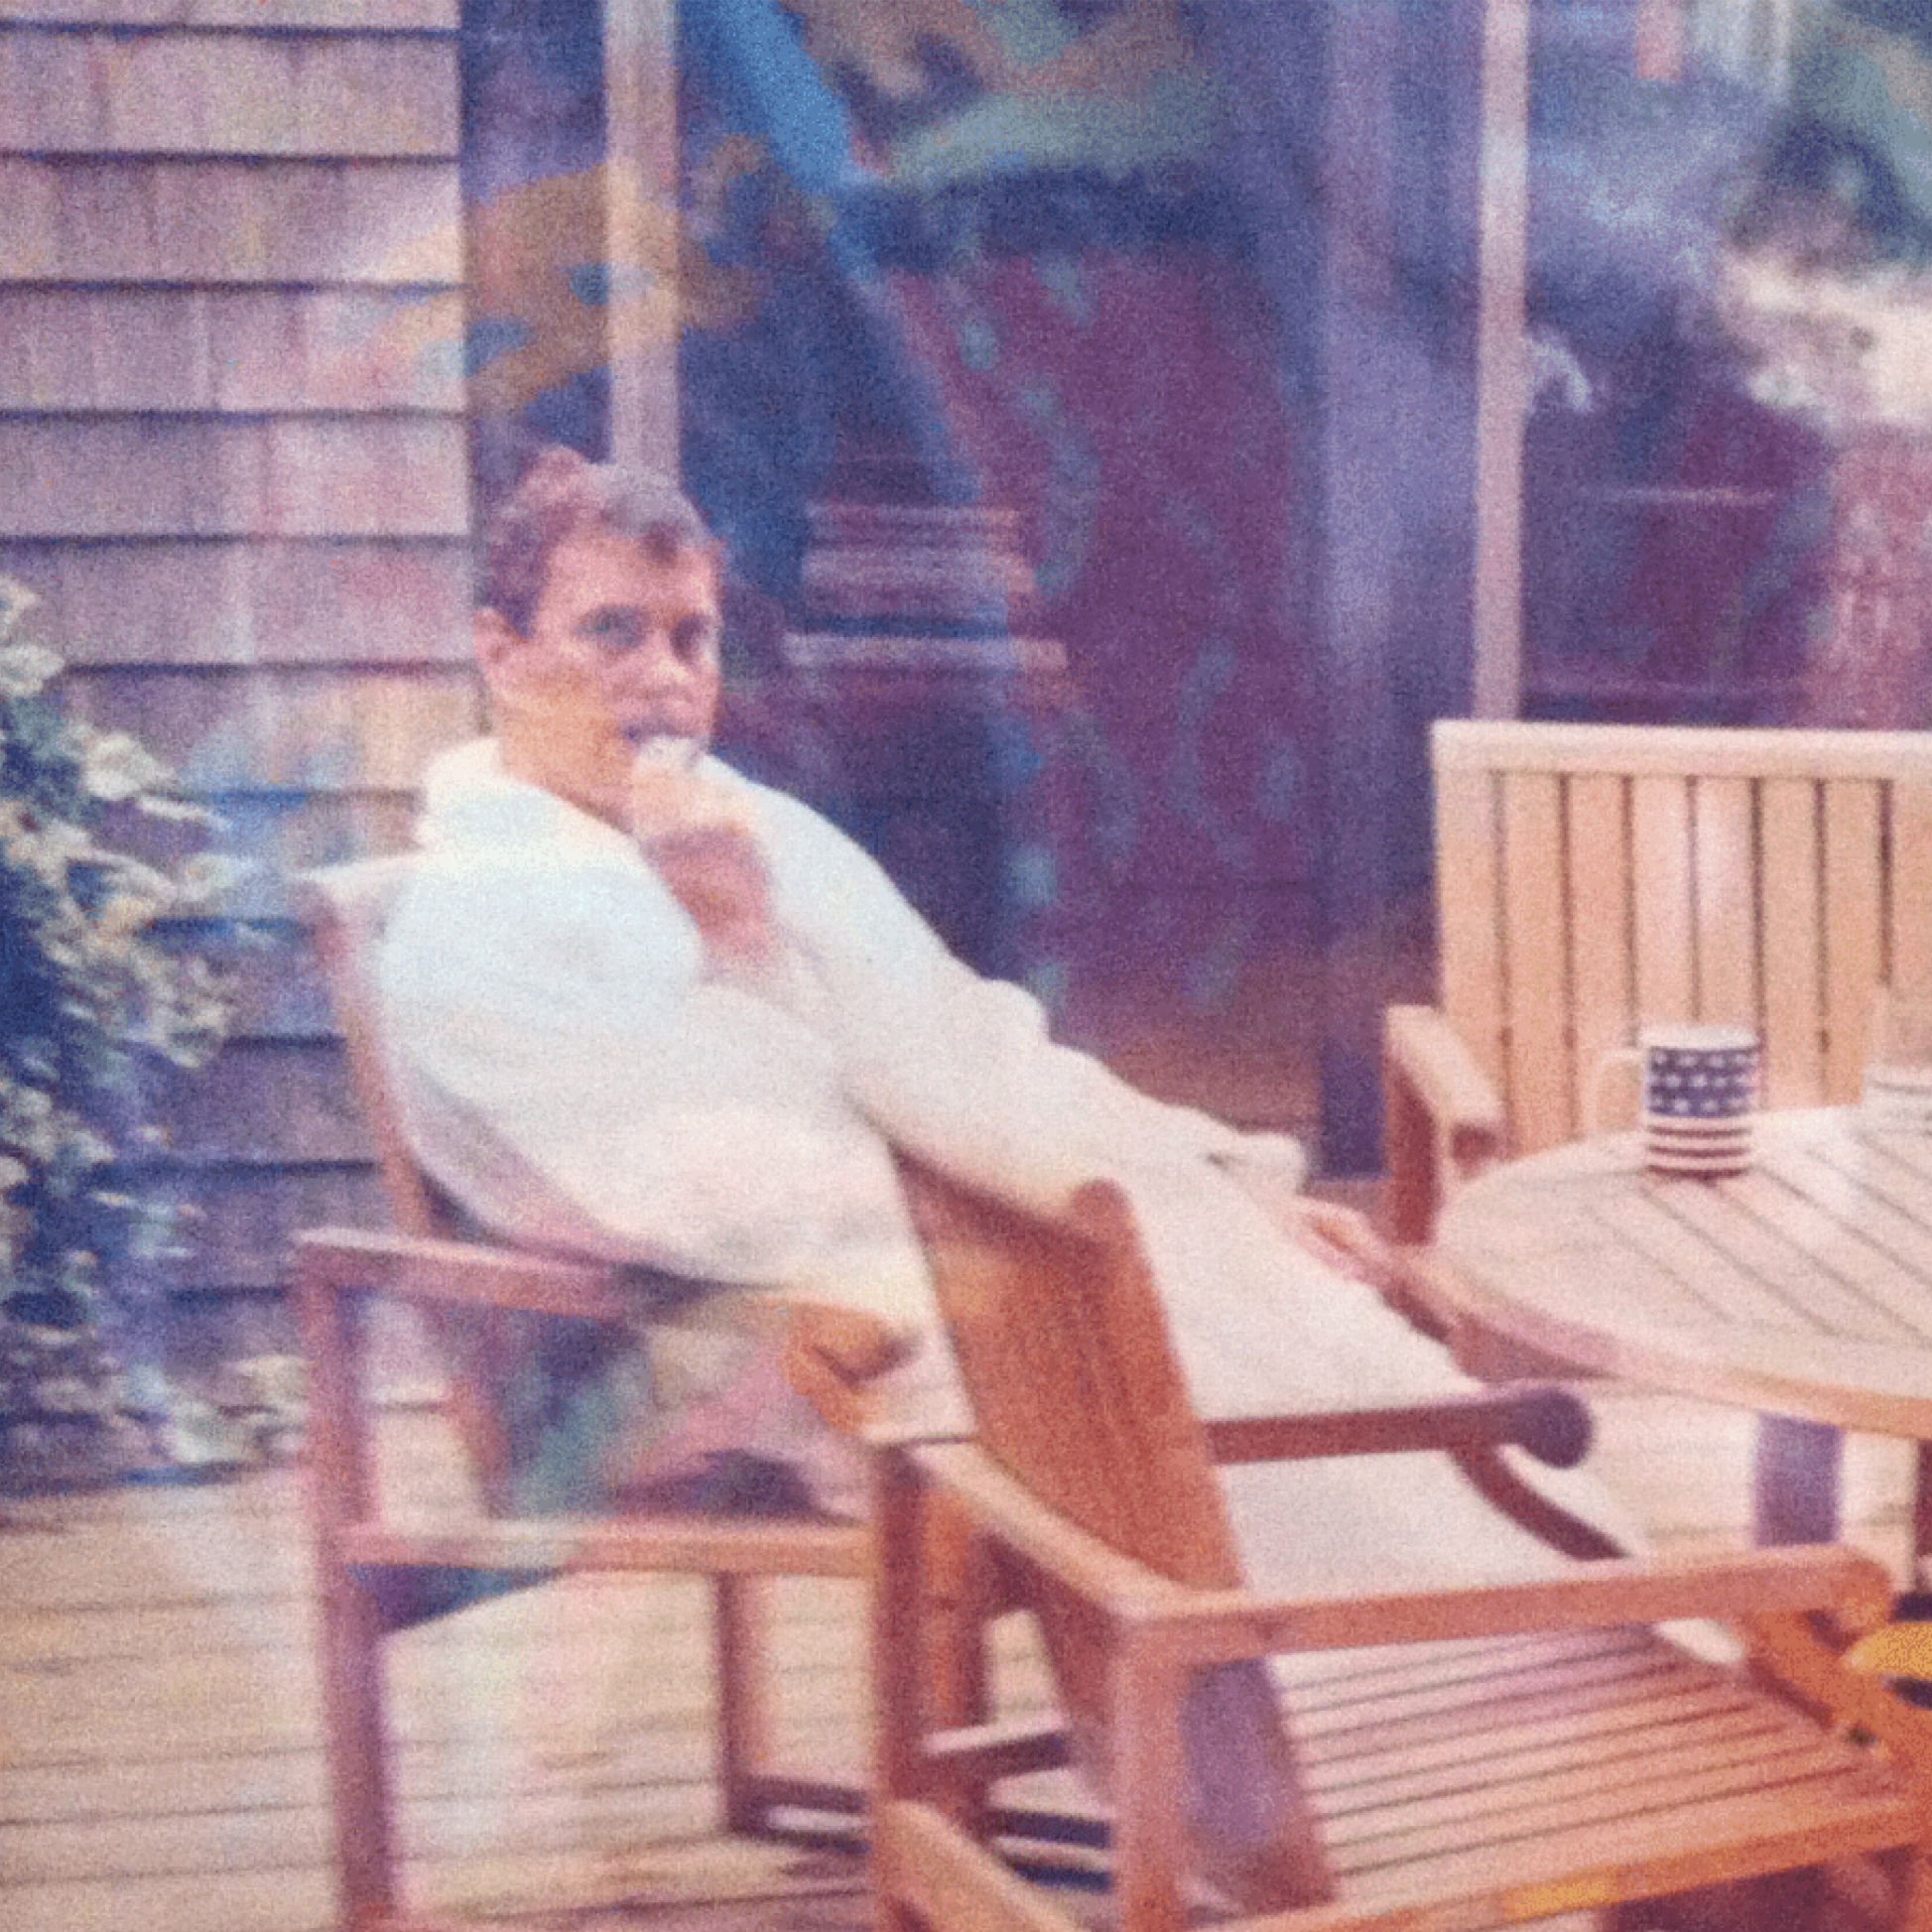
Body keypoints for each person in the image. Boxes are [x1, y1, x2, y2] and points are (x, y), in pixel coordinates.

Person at [375, 449, 1617, 1583]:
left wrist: (1213, 1181)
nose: (665, 680)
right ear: (500, 651)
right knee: (1220, 1365)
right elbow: (720, 1199)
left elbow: (970, 1043)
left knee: (1322, 1309)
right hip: (784, 1344)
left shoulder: (751, 827)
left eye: (692, 639)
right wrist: (736, 947)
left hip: (970, 1259)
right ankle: (1351, 1763)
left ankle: (1598, 1670)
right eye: (611, 633)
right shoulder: (473, 928)